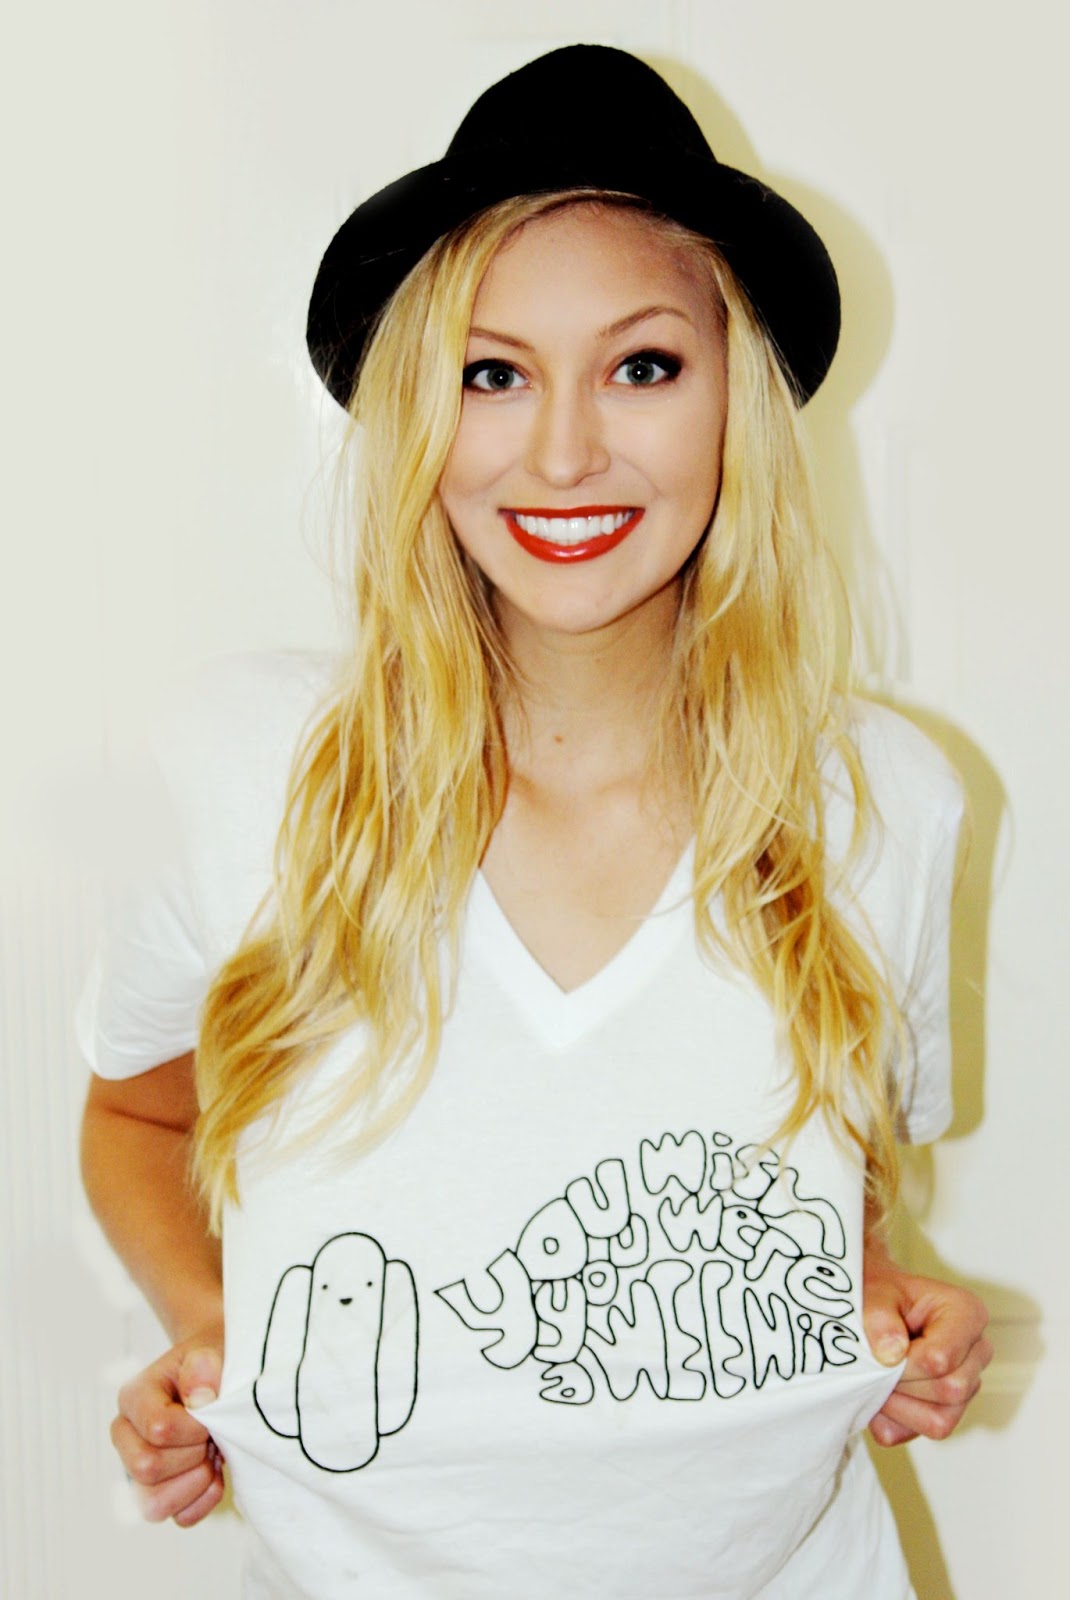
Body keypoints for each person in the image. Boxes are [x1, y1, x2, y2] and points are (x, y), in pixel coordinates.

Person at [79, 43, 991, 1599]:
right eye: (490, 374)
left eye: (643, 367)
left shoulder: (883, 798)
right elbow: (138, 1117)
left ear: (738, 399)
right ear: (417, 414)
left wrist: (877, 1287)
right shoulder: (247, 768)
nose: (564, 452)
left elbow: (819, 1164)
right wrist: (214, 1323)